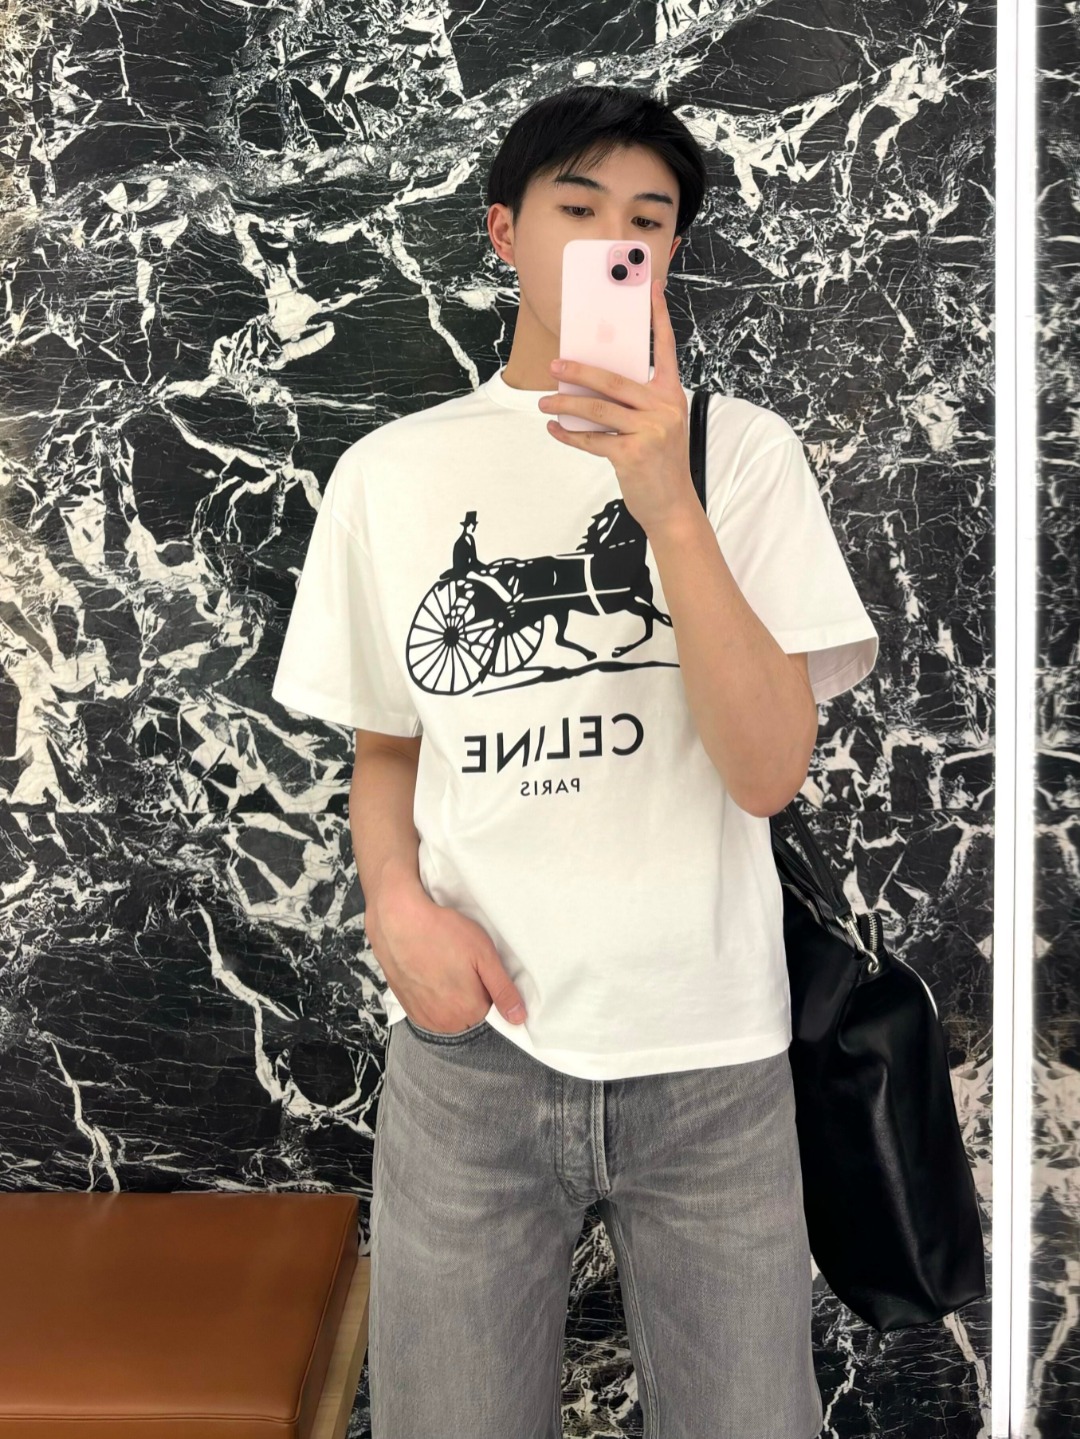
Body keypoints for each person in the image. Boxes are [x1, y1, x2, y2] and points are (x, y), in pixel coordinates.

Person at [272, 83, 878, 1439]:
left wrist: (665, 496)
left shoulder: (744, 455)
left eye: (647, 221)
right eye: (580, 206)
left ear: (670, 255)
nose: (616, 239)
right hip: (474, 1053)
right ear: (506, 231)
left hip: (712, 1058)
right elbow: (387, 743)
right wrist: (395, 909)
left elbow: (767, 772)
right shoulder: (393, 472)